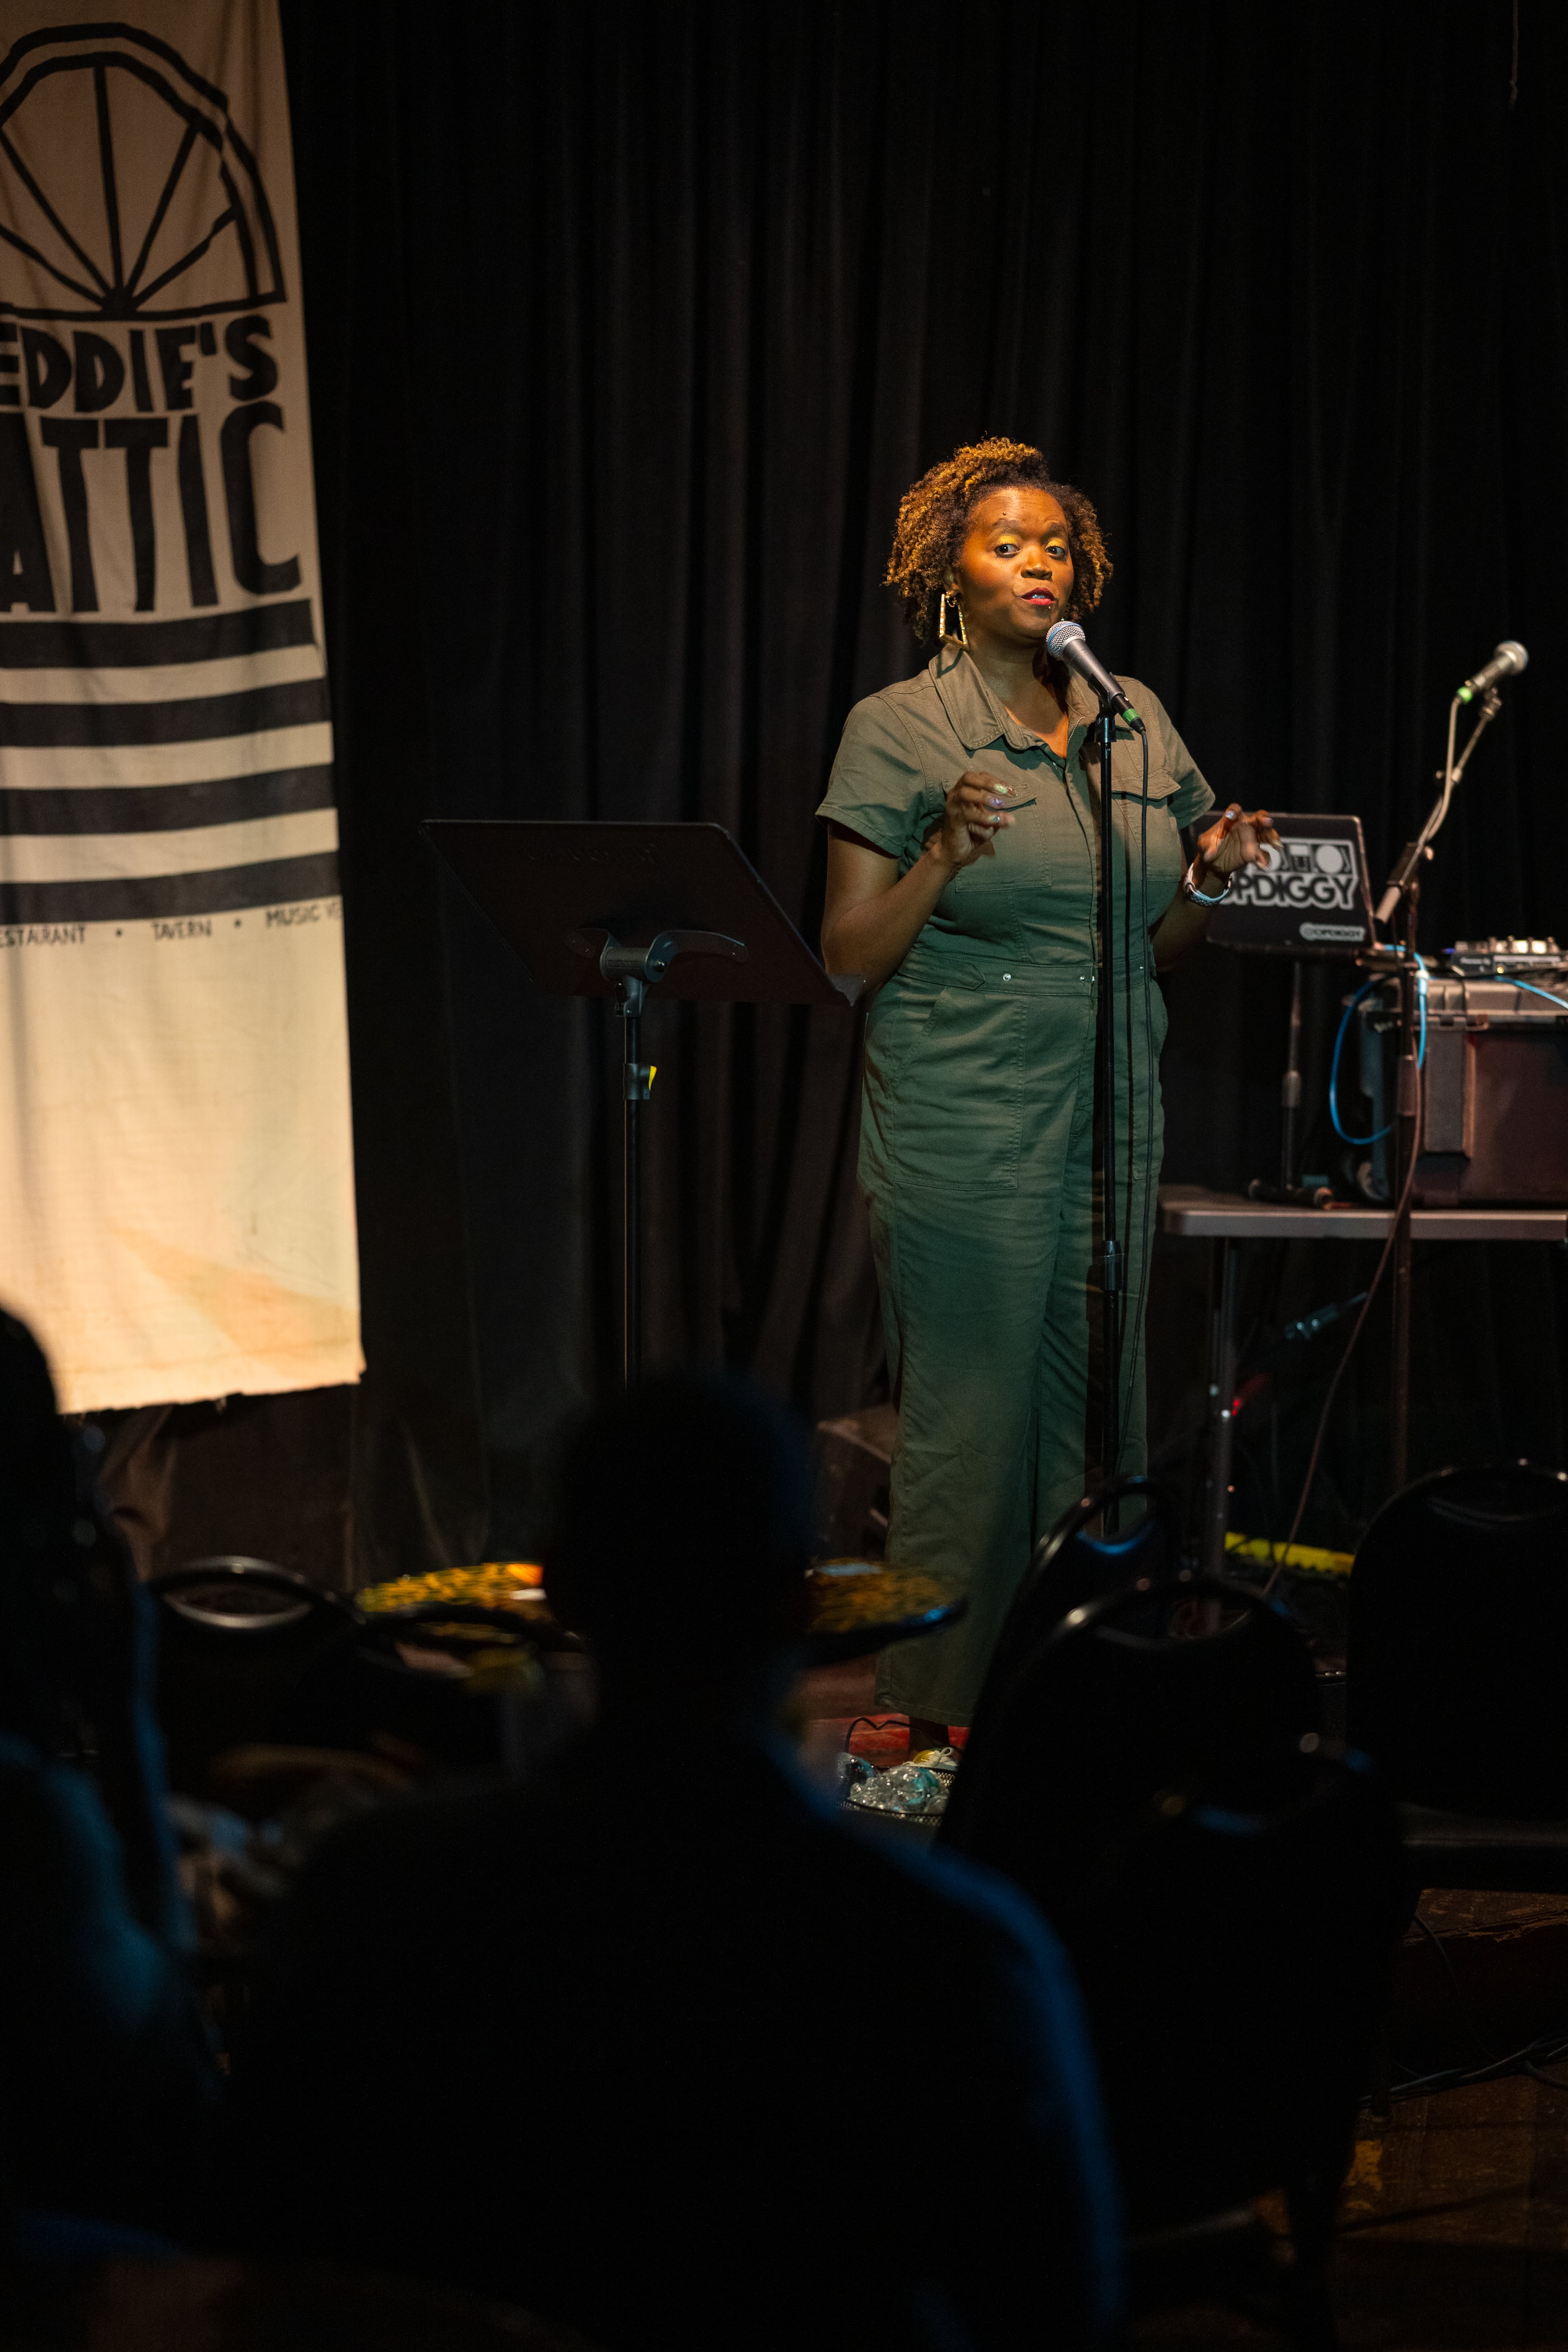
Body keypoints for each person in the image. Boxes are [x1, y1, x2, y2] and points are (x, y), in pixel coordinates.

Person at [229, 1373, 1120, 2351]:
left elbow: (268, 2232)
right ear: (805, 1601)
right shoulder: (959, 1952)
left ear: (563, 1589)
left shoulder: (375, 1894)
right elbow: (1058, 2303)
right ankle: (902, 1784)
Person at [818, 438, 1276, 1749]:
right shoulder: (901, 727)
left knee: (1099, 1407)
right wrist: (944, 856)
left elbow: (1160, 942)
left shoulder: (1125, 714)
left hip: (1110, 1108)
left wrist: (1210, 878)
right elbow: (849, 958)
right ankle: (923, 1725)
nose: (1035, 561)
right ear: (946, 576)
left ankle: (1064, 1705)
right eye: (1003, 543)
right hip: (964, 1109)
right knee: (972, 1414)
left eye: (1054, 545)